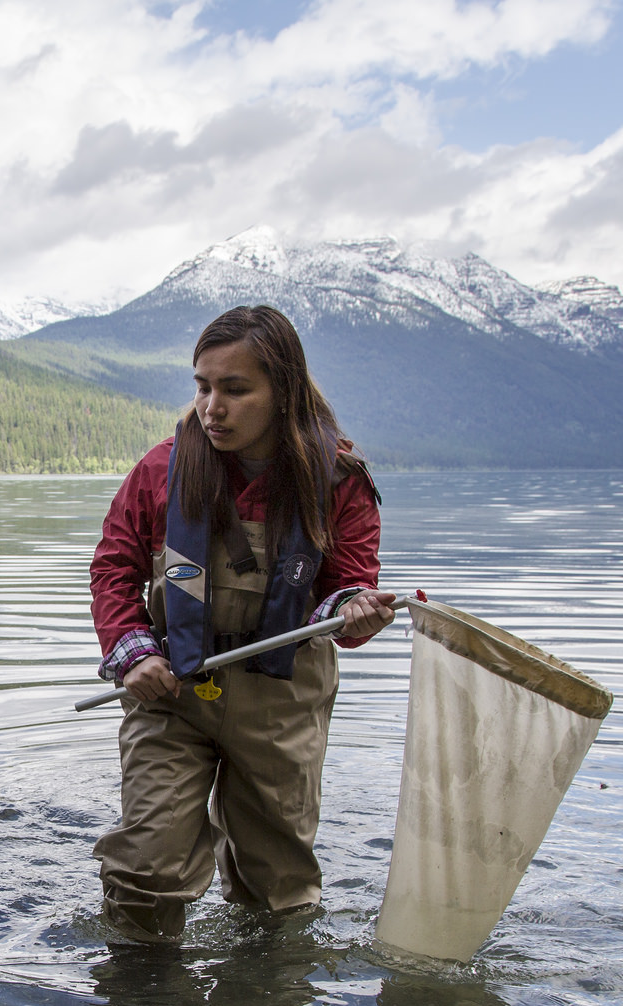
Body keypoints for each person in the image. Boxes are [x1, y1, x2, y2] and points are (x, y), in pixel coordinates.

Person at [88, 305, 395, 942]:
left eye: (234, 389)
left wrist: (354, 613)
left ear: (282, 393)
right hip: (171, 687)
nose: (212, 408)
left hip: (282, 699)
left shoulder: (339, 481)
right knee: (145, 865)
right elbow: (113, 569)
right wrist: (133, 652)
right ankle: (141, 1005)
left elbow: (347, 596)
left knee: (276, 889)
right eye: (202, 386)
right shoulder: (161, 469)